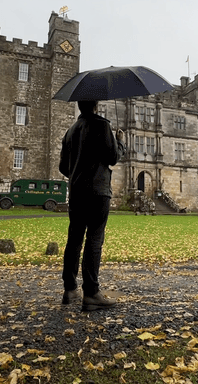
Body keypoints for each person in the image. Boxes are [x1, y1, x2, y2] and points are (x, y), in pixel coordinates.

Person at [58, 100, 126, 311]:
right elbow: (113, 158)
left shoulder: (70, 131)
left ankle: (70, 289)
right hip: (98, 191)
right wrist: (120, 141)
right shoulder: (102, 125)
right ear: (96, 104)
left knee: (75, 239)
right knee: (94, 239)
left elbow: (63, 166)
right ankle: (91, 293)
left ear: (79, 105)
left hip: (77, 192)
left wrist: (78, 175)